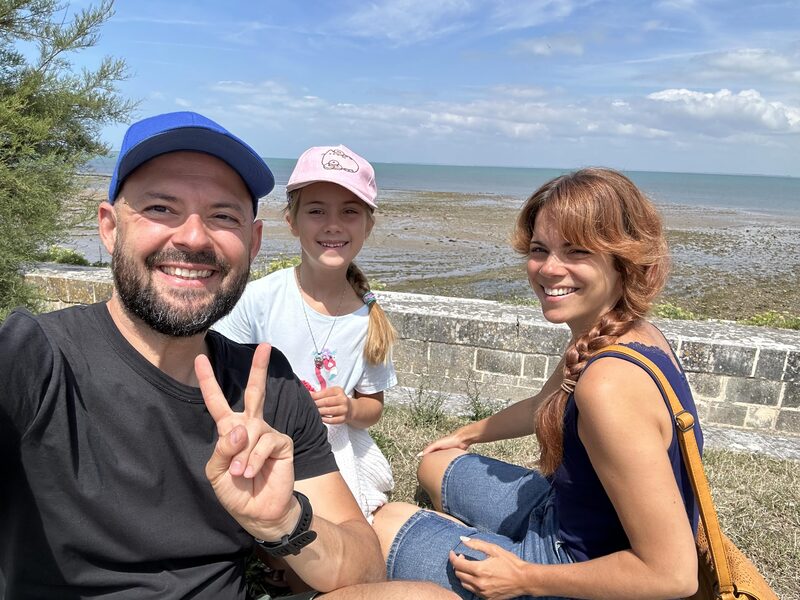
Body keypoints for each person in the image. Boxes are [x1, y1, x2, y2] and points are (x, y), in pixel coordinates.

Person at [0, 111, 395, 599]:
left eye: (222, 216)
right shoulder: (34, 358)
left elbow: (366, 570)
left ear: (252, 242)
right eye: (161, 208)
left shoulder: (269, 385)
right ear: (108, 227)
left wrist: (285, 521)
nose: (192, 237)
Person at [371, 168, 703, 599]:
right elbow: (541, 405)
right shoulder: (621, 334)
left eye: (577, 250)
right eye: (540, 249)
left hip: (580, 568)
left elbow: (674, 576)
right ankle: (470, 537)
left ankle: (484, 554)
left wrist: (523, 577)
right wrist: (464, 434)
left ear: (624, 259)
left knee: (387, 523)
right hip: (562, 515)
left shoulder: (608, 387)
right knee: (433, 463)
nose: (549, 269)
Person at [214, 144, 396, 519]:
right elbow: (220, 373)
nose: (333, 224)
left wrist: (348, 408)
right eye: (316, 211)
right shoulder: (260, 299)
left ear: (368, 225)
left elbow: (372, 407)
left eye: (350, 212)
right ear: (292, 221)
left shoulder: (370, 319)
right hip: (261, 438)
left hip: (331, 446)